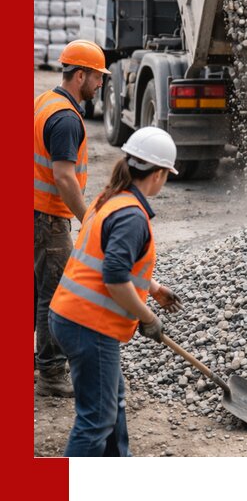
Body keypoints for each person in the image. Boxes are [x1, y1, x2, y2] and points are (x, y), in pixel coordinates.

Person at [49, 127, 183, 457]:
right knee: (96, 419)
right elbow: (113, 276)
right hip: (88, 325)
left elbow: (102, 257)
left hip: (70, 314)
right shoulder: (131, 217)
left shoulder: (108, 198)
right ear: (159, 173)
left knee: (113, 401)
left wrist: (151, 288)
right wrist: (147, 317)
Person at [34, 39, 110, 396]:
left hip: (35, 212)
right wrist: (86, 218)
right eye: (97, 77)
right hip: (49, 219)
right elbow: (63, 176)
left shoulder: (46, 101)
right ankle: (51, 373)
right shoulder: (66, 119)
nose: (101, 84)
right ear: (80, 74)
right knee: (54, 295)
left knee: (36, 292)